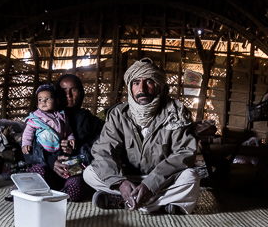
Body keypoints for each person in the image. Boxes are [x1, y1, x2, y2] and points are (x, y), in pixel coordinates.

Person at [83, 58, 200, 214]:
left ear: (158, 86)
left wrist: (152, 183)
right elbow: (103, 151)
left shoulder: (175, 113)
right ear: (130, 87)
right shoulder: (119, 114)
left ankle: (124, 202)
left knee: (190, 177)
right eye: (136, 83)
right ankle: (159, 205)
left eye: (149, 82)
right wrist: (120, 182)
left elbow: (185, 152)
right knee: (89, 173)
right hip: (128, 178)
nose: (142, 88)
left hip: (163, 181)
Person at [23, 76, 103, 202]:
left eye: (74, 90)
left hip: (75, 171)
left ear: (81, 93)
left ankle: (57, 196)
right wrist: (51, 160)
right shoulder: (43, 118)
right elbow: (27, 151)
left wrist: (76, 152)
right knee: (38, 172)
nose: (68, 94)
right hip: (50, 169)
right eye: (63, 90)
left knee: (76, 187)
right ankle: (34, 191)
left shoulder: (91, 122)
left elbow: (101, 152)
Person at [22, 83, 75, 156]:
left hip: (59, 148)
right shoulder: (36, 117)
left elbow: (68, 129)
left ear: (56, 101)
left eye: (48, 99)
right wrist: (26, 143)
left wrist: (71, 138)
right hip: (42, 149)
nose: (43, 102)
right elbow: (28, 132)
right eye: (40, 99)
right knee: (41, 167)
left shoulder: (60, 115)